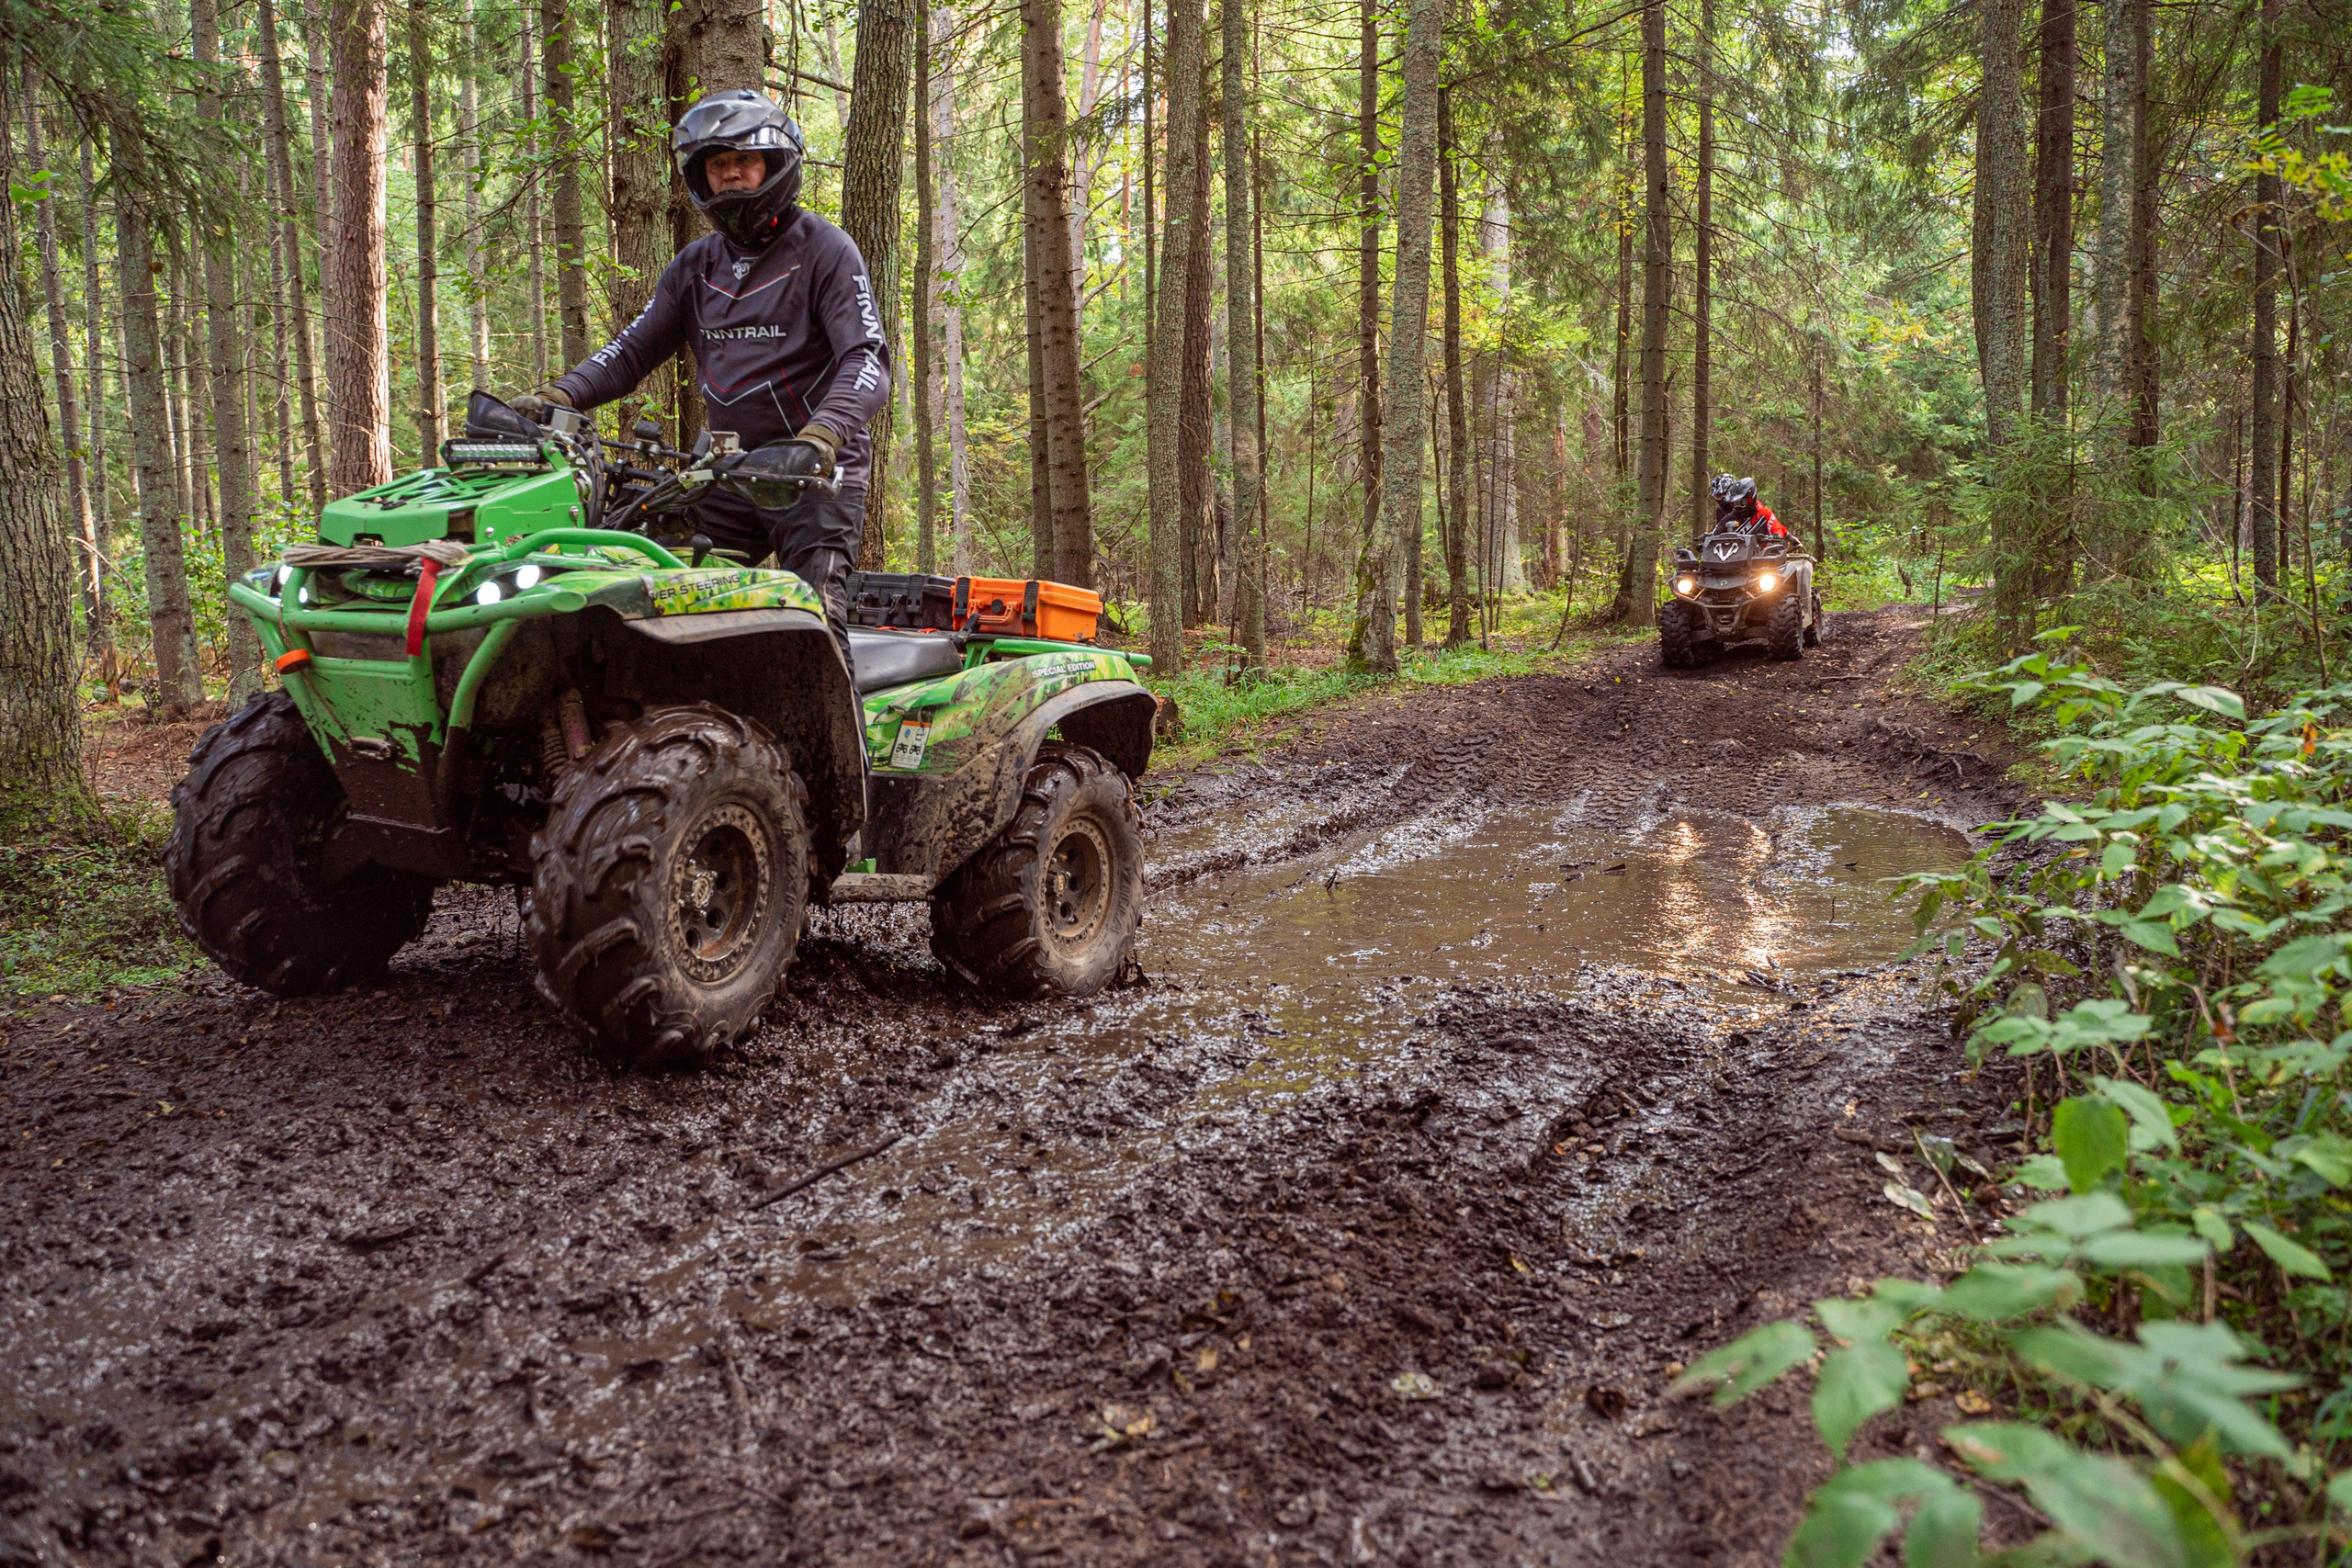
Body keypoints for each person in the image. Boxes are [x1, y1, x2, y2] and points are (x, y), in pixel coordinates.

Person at [510, 88, 889, 667]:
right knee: (660, 608)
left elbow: (866, 359)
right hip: (725, 476)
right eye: (717, 165)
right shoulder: (694, 267)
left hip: (813, 481)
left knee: (815, 629)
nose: (732, 176)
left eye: (744, 162)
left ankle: (839, 758)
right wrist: (557, 396)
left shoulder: (826, 250)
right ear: (700, 177)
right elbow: (629, 353)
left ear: (775, 165)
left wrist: (820, 439)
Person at [1709, 474, 1788, 540]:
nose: (1722, 499)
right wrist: (1708, 539)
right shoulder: (1726, 514)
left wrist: (1780, 535)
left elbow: (1774, 525)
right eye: (1718, 496)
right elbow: (1718, 531)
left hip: (1758, 553)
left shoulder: (1761, 511)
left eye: (1742, 503)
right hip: (1733, 552)